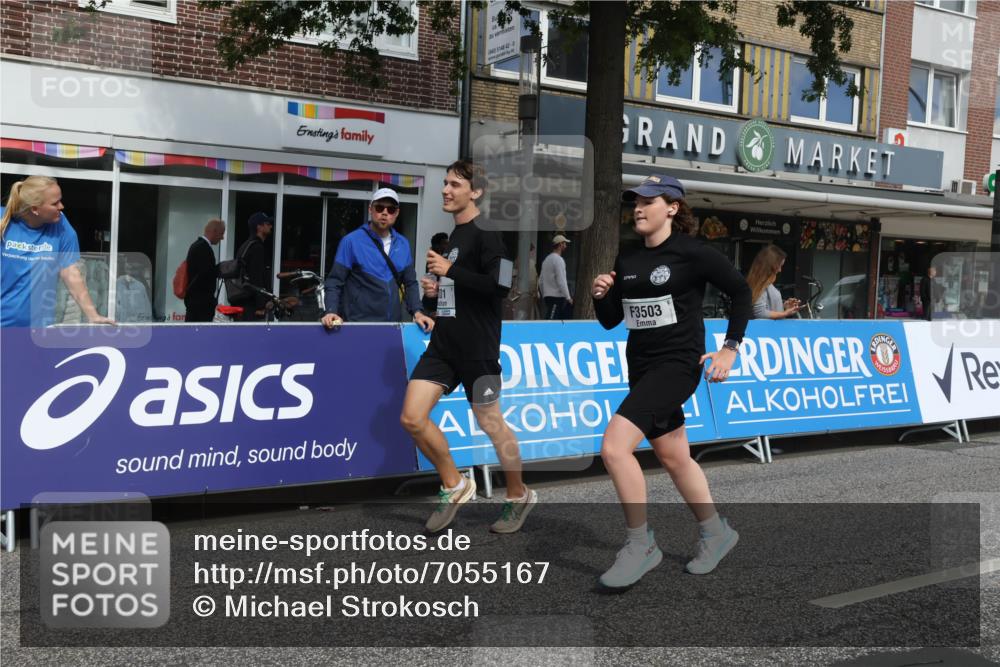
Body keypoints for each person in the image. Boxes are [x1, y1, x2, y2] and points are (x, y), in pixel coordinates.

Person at [591, 173, 752, 588]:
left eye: (648, 201)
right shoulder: (627, 258)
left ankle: (640, 544)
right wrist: (601, 294)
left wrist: (729, 348)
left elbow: (741, 292)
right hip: (641, 367)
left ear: (673, 208)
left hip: (678, 365)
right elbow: (612, 321)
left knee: (614, 448)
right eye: (635, 202)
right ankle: (717, 533)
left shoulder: (693, 253)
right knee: (676, 457)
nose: (638, 209)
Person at [400, 159, 536, 534]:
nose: (446, 190)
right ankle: (455, 484)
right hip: (444, 346)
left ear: (475, 192)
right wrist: (437, 290)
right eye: (445, 183)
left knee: (491, 423)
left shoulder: (489, 233)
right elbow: (461, 290)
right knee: (412, 417)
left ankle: (517, 495)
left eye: (455, 185)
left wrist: (450, 273)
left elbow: (502, 285)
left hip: (478, 348)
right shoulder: (455, 236)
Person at [1, 176, 114, 328]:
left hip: (39, 330)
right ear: (35, 209)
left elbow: (70, 272)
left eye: (60, 200)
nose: (61, 206)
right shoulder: (4, 220)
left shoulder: (61, 225)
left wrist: (92, 315)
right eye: (55, 203)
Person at [321, 189, 433, 330]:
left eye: (391, 209)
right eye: (379, 208)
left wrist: (418, 312)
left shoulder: (403, 243)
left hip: (393, 326)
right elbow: (335, 281)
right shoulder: (351, 241)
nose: (384, 213)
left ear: (396, 213)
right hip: (358, 324)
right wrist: (331, 311)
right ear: (370, 209)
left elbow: (410, 283)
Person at [229, 211, 273, 321]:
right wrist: (261, 305)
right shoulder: (257, 247)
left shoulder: (245, 245)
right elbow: (256, 277)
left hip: (243, 301)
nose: (270, 226)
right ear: (259, 227)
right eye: (267, 224)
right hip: (251, 306)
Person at [184, 218, 225, 322]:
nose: (222, 237)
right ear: (214, 231)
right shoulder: (203, 248)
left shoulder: (197, 246)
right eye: (221, 233)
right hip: (200, 304)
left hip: (196, 302)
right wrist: (221, 270)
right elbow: (205, 274)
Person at [746, 244, 801, 319]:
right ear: (771, 266)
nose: (780, 270)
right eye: (779, 265)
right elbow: (760, 313)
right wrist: (785, 313)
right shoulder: (761, 284)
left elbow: (767, 306)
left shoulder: (764, 283)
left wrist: (785, 306)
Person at [539, 234, 573, 319]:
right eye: (564, 243)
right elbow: (562, 281)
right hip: (557, 297)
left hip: (547, 296)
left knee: (553, 318)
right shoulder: (559, 260)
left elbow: (540, 281)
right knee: (552, 320)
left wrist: (544, 294)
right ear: (560, 244)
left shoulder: (546, 260)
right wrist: (568, 297)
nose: (566, 245)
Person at [422, 232, 450, 315]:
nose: (447, 246)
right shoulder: (433, 261)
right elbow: (432, 285)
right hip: (432, 305)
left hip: (440, 303)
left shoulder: (444, 258)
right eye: (445, 243)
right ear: (437, 246)